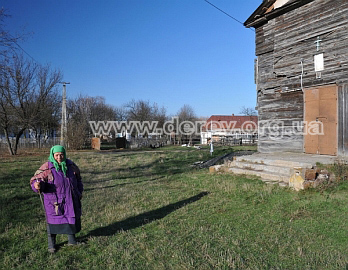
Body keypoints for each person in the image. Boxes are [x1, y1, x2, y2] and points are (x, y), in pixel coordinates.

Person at [30, 145, 84, 253]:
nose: (59, 157)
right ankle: (52, 246)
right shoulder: (47, 167)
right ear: (52, 155)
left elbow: (78, 179)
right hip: (54, 202)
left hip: (71, 199)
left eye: (61, 155)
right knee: (52, 223)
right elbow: (35, 180)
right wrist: (37, 185)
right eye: (56, 155)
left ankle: (72, 241)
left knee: (71, 219)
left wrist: (79, 192)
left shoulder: (71, 165)